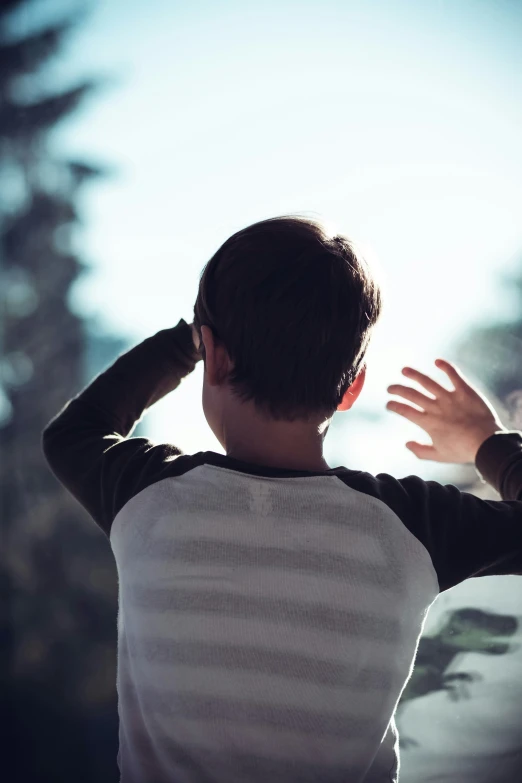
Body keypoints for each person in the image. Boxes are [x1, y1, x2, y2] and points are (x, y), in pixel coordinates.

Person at [41, 216, 522, 783]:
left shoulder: (148, 497)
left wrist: (186, 342)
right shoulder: (412, 527)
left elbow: (73, 433)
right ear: (353, 388)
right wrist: (486, 444)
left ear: (215, 357)